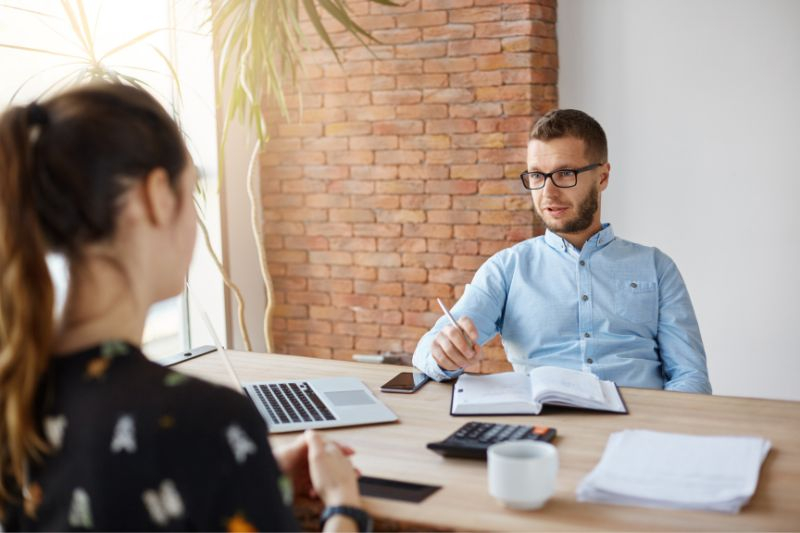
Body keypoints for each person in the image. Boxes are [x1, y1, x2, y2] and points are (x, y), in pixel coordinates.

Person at [0, 83, 368, 531]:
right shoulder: (206, 421)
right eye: (191, 191)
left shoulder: (17, 398)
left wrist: (245, 468)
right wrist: (342, 506)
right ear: (155, 196)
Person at [413, 109, 711, 394]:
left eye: (565, 173)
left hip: (637, 427)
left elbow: (690, 375)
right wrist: (443, 353)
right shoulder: (508, 268)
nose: (548, 193)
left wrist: (662, 430)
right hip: (547, 430)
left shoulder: (656, 267)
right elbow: (428, 348)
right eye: (536, 176)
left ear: (602, 177)